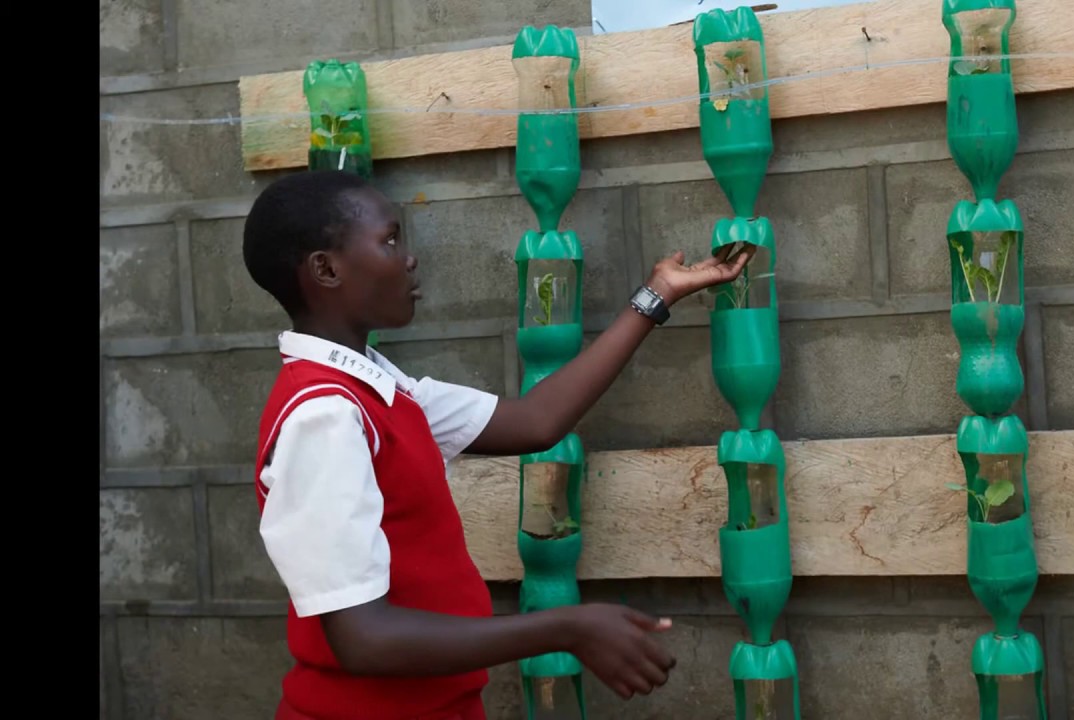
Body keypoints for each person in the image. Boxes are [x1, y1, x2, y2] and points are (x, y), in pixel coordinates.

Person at [242, 169, 750, 720]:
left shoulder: (381, 392)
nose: (408, 258)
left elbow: (536, 419)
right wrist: (564, 626)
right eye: (389, 240)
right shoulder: (325, 415)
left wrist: (657, 294)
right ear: (326, 268)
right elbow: (364, 637)